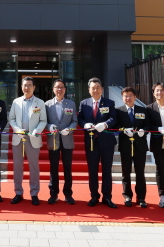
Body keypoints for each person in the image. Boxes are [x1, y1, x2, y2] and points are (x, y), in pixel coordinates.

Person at [77, 77, 118, 208]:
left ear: (102, 89)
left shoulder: (109, 103)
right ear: (89, 90)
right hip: (91, 141)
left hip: (106, 141)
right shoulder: (84, 103)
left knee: (107, 169)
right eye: (93, 88)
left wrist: (105, 124)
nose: (96, 90)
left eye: (98, 88)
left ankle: (107, 197)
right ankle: (94, 196)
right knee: (92, 170)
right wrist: (85, 124)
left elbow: (113, 118)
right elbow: (80, 118)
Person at [8, 76, 47, 206]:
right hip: (18, 139)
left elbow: (43, 120)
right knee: (17, 167)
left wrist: (37, 130)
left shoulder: (40, 103)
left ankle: (34, 193)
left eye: (29, 85)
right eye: (25, 85)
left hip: (33, 138)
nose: (27, 87)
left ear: (34, 87)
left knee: (34, 167)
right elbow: (11, 118)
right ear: (21, 87)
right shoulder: (16, 102)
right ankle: (18, 192)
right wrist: (17, 130)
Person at [115, 86, 151, 208]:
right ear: (122, 98)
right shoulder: (119, 111)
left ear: (135, 97)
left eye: (130, 95)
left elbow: (148, 125)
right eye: (125, 96)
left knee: (140, 172)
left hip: (140, 146)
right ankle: (127, 196)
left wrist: (143, 131)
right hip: (125, 145)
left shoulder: (143, 110)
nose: (128, 98)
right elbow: (115, 127)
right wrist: (123, 130)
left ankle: (141, 198)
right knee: (126, 172)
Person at [44, 79, 77, 205]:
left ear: (65, 89)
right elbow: (44, 121)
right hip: (53, 140)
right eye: (57, 87)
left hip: (67, 140)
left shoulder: (71, 104)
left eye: (61, 87)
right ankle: (53, 194)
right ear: (53, 89)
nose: (59, 89)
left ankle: (68, 194)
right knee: (53, 167)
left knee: (67, 168)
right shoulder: (47, 105)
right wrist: (49, 127)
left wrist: (70, 129)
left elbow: (74, 121)